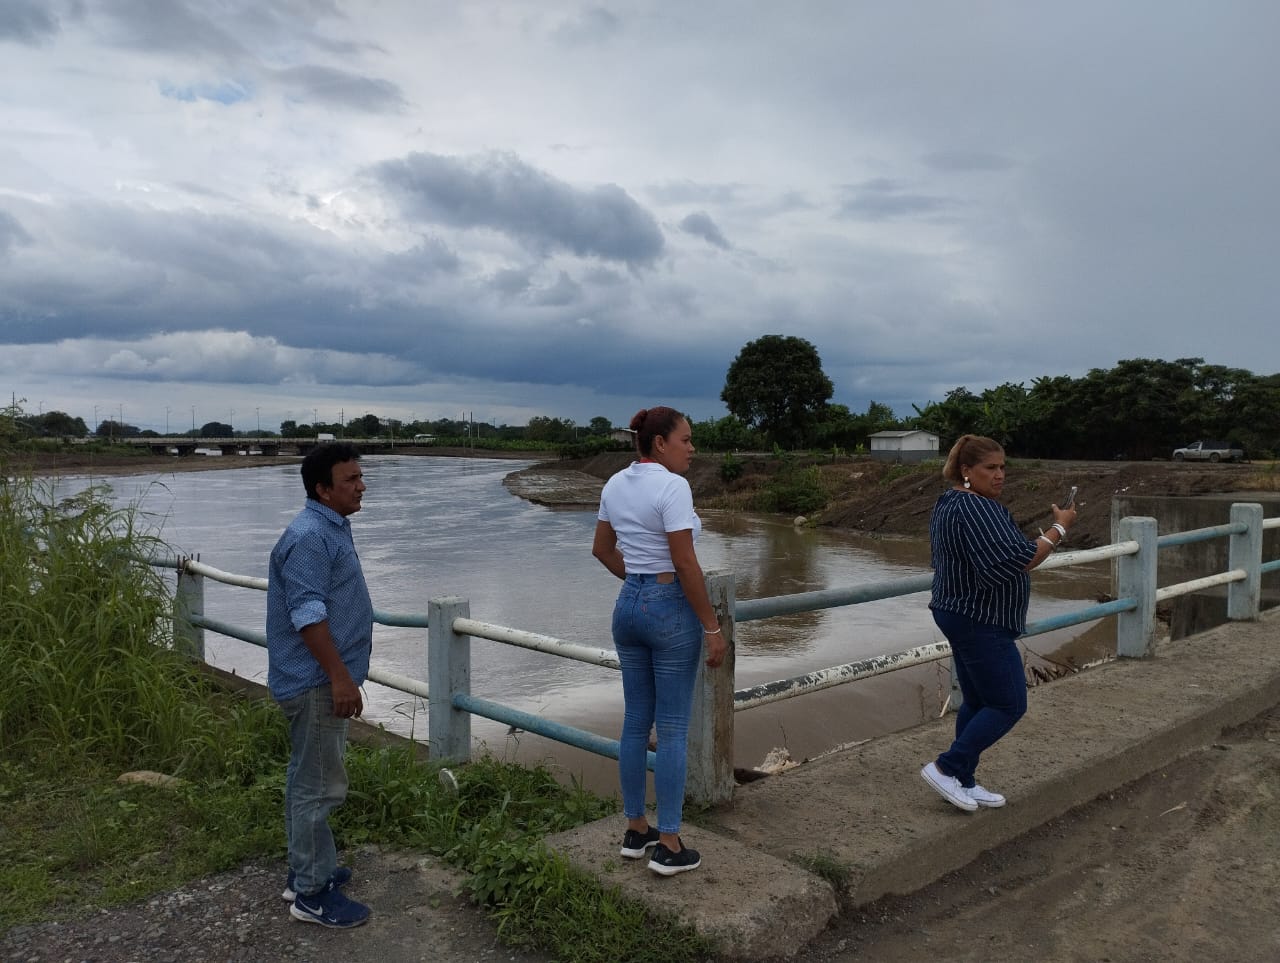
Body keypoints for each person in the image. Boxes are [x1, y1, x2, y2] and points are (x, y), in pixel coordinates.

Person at [592, 406, 728, 876]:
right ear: (659, 443)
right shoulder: (673, 486)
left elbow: (601, 549)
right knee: (671, 729)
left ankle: (636, 830)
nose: (692, 448)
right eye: (685, 440)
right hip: (668, 608)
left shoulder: (615, 483)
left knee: (635, 722)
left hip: (627, 605)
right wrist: (712, 627)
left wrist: (639, 583)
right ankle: (669, 844)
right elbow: (685, 562)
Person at [921, 434, 1077, 812]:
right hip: (980, 618)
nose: (1000, 475)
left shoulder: (950, 502)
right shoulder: (978, 508)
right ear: (966, 470)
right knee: (1009, 703)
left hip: (959, 611)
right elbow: (1020, 559)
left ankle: (964, 779)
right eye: (990, 467)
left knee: (978, 701)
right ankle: (946, 768)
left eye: (1003, 467)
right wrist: (1059, 528)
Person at [266, 442, 373, 927]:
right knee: (320, 785)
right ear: (323, 489)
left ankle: (306, 870)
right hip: (315, 682)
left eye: (360, 476)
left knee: (305, 778)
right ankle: (311, 893)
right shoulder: (310, 537)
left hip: (315, 679)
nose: (361, 486)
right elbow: (308, 614)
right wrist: (340, 678)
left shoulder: (328, 526)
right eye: (350, 480)